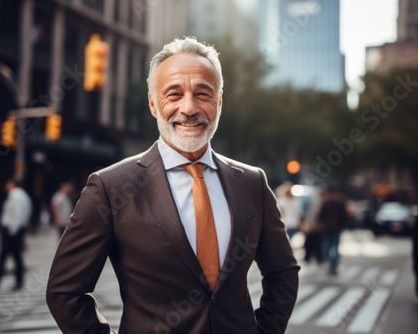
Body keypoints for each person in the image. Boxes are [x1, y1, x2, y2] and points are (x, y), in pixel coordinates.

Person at [46, 37, 299, 334]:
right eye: (174, 94)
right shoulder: (110, 187)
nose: (189, 108)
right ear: (153, 104)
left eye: (202, 93)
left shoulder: (253, 182)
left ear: (218, 102)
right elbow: (65, 292)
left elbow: (282, 272)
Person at [0, 179, 32, 291]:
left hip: (11, 230)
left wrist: (11, 230)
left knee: (7, 256)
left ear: (12, 184)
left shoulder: (16, 196)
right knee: (14, 256)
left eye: (7, 184)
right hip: (15, 230)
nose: (6, 186)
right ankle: (2, 280)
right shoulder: (22, 195)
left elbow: (17, 215)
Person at [317, 184, 348, 276]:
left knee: (327, 247)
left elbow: (321, 215)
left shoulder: (326, 201)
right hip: (337, 228)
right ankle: (333, 265)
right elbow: (344, 216)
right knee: (335, 247)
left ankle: (329, 263)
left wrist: (319, 224)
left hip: (327, 227)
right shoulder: (340, 202)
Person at [303, 185, 326, 264]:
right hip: (315, 225)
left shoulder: (321, 201)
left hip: (316, 225)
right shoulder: (317, 201)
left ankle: (314, 257)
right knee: (313, 242)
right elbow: (312, 214)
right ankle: (313, 257)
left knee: (314, 242)